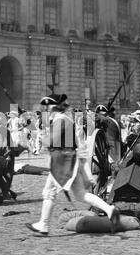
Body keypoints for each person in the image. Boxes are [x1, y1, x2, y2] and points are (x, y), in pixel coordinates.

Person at [25, 94, 120, 236]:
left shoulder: (61, 120)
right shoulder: (64, 119)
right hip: (67, 160)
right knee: (81, 195)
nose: (47, 108)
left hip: (62, 162)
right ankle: (109, 210)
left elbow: (52, 141)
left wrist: (41, 138)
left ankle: (43, 225)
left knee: (49, 192)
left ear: (56, 106)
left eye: (49, 105)